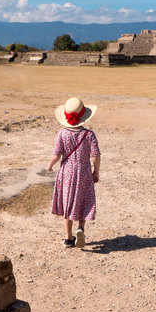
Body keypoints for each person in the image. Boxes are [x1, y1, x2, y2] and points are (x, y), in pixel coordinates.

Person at [47, 97, 101, 248]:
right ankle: (81, 228)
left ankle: (68, 238)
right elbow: (96, 155)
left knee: (67, 204)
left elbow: (57, 155)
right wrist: (96, 172)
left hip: (66, 172)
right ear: (83, 117)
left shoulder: (62, 134)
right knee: (83, 200)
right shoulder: (89, 135)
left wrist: (50, 165)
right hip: (83, 171)